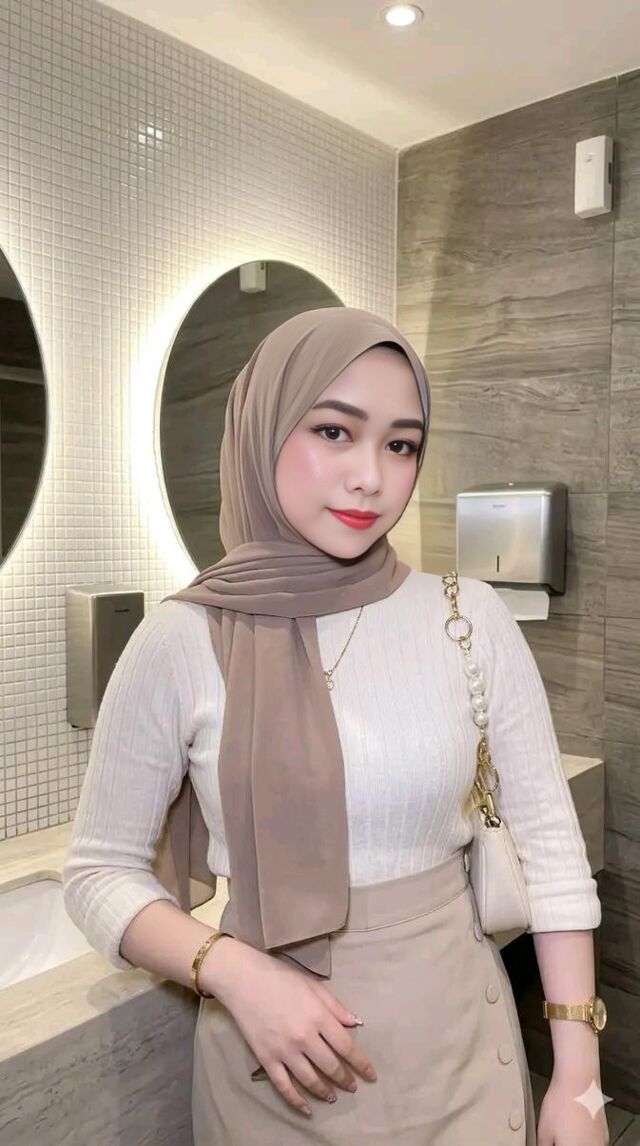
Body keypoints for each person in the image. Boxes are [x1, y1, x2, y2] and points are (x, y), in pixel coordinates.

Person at [63, 307, 606, 1145]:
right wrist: (233, 972)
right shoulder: (178, 641)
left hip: (459, 1052)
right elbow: (98, 872)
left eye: (401, 445)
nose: (371, 478)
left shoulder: (469, 617)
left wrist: (579, 1078)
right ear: (263, 429)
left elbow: (552, 849)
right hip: (273, 1077)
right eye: (333, 431)